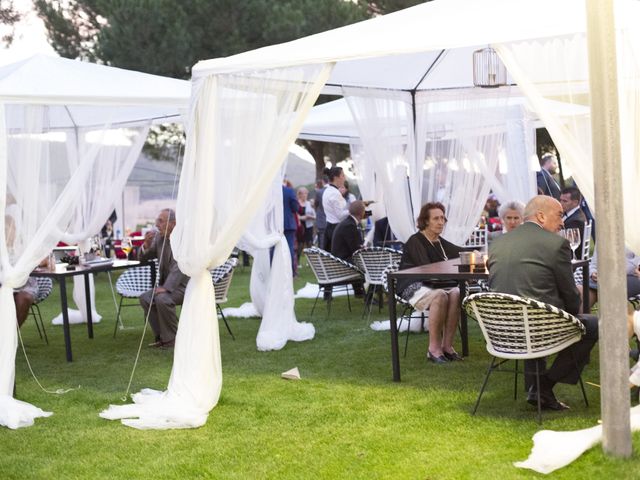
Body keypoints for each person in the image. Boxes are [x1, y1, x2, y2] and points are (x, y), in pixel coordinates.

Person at [488, 195, 599, 410]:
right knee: (592, 325)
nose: (562, 222)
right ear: (540, 216)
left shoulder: (497, 243)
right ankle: (543, 386)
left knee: (533, 313)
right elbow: (570, 295)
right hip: (537, 328)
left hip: (498, 330)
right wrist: (572, 313)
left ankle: (536, 390)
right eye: (559, 215)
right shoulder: (557, 244)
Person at [397, 202, 463, 364]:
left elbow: (460, 251)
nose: (441, 222)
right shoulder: (415, 241)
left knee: (456, 292)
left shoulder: (440, 242)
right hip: (411, 285)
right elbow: (428, 270)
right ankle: (433, 349)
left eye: (442, 218)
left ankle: (447, 346)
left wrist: (476, 253)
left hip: (434, 284)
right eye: (436, 218)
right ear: (426, 221)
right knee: (440, 295)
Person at [139, 208, 189, 349]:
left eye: (160, 221)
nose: (156, 225)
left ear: (173, 223)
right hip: (168, 287)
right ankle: (162, 337)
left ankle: (173, 339)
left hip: (185, 286)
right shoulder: (160, 238)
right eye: (156, 221)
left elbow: (179, 267)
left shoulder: (184, 240)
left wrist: (166, 288)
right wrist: (146, 246)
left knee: (162, 298)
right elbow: (144, 259)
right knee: (145, 298)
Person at [330, 200, 366, 297]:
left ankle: (360, 292)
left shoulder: (347, 222)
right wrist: (363, 247)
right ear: (362, 213)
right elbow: (355, 250)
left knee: (363, 262)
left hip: (340, 260)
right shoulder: (349, 225)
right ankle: (369, 295)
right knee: (370, 265)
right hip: (342, 263)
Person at [322, 166, 349, 252]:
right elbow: (340, 215)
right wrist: (353, 210)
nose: (345, 178)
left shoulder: (327, 191)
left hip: (329, 228)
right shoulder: (335, 193)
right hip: (336, 229)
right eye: (343, 175)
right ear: (336, 178)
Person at [559, 186, 587, 258]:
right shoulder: (573, 214)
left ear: (575, 203)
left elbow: (565, 244)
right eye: (560, 200)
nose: (560, 203)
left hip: (570, 258)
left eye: (565, 201)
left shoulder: (576, 221)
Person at [282, 182, 299, 274]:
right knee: (289, 248)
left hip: (274, 225)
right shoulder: (289, 191)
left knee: (273, 249)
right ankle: (291, 272)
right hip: (288, 224)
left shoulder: (270, 192)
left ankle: (274, 271)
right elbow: (295, 208)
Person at [296, 187, 315, 263]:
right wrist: (302, 217)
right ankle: (297, 262)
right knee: (300, 244)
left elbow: (315, 216)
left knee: (309, 243)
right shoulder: (296, 203)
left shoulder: (309, 204)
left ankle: (310, 262)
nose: (305, 195)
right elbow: (295, 215)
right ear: (299, 194)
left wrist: (310, 217)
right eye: (303, 193)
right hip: (300, 227)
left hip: (309, 226)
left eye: (306, 193)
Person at [314, 176, 328, 249]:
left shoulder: (319, 192)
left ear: (323, 181)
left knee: (322, 243)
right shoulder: (335, 191)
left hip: (322, 221)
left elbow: (316, 205)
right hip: (332, 222)